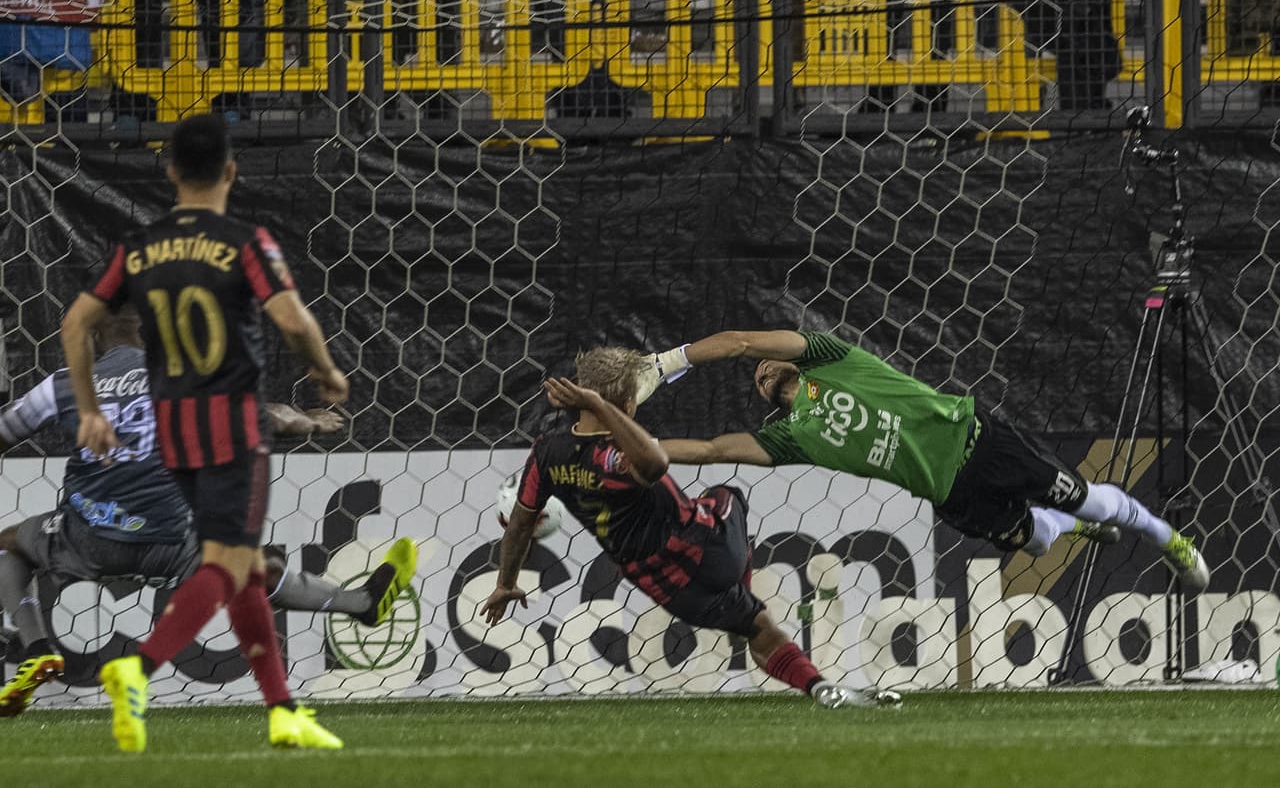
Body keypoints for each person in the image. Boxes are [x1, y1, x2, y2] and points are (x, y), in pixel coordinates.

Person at [61, 113, 350, 752]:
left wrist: (88, 410)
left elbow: (76, 323)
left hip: (174, 428)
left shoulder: (137, 247)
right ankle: (138, 668)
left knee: (239, 564)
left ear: (170, 172)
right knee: (225, 565)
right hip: (233, 426)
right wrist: (325, 368)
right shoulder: (245, 242)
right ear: (230, 170)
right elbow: (291, 318)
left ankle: (282, 710)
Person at [0, 307, 418, 717]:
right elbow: (266, 416)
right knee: (252, 568)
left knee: (9, 545)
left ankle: (36, 648)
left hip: (85, 538)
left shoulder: (64, 384)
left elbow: (5, 431)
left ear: (93, 337)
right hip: (169, 543)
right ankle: (362, 602)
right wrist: (307, 421)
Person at [481, 348, 901, 710]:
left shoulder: (547, 454)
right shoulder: (622, 456)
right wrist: (604, 405)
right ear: (626, 403)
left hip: (665, 586)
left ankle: (817, 686)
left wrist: (505, 583)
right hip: (706, 547)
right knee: (728, 495)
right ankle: (814, 677)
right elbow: (654, 463)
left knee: (756, 628)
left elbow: (519, 525)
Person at [634, 330, 1210, 591]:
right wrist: (630, 445)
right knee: (1036, 541)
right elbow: (711, 451)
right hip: (950, 494)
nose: (761, 371)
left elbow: (739, 343)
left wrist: (667, 363)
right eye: (757, 382)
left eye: (766, 365)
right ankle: (1071, 526)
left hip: (978, 441)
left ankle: (1167, 538)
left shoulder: (830, 359)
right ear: (767, 407)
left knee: (1087, 498)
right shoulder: (789, 439)